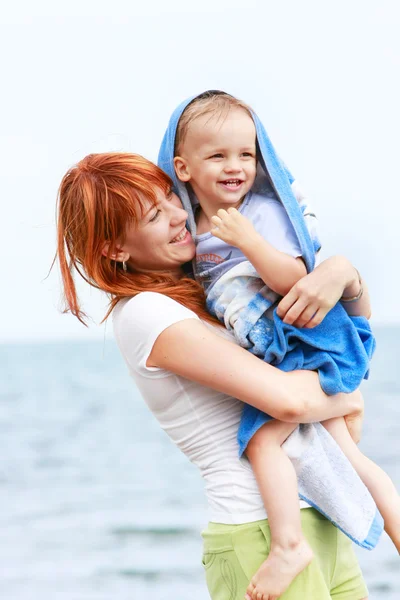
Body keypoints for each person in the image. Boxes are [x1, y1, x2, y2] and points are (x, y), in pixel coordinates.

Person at [55, 152, 371, 600]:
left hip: (316, 516)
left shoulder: (213, 289)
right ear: (114, 248)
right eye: (153, 215)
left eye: (169, 198)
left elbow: (339, 337)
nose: (179, 215)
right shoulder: (146, 314)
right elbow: (288, 401)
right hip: (258, 537)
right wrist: (349, 399)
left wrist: (344, 274)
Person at [158, 91, 400, 597]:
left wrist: (248, 240)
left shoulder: (261, 212)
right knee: (350, 459)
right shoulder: (193, 231)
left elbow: (294, 277)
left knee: (265, 439)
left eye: (246, 154)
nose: (235, 167)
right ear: (183, 167)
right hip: (280, 348)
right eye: (218, 155)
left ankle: (288, 544)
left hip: (302, 339)